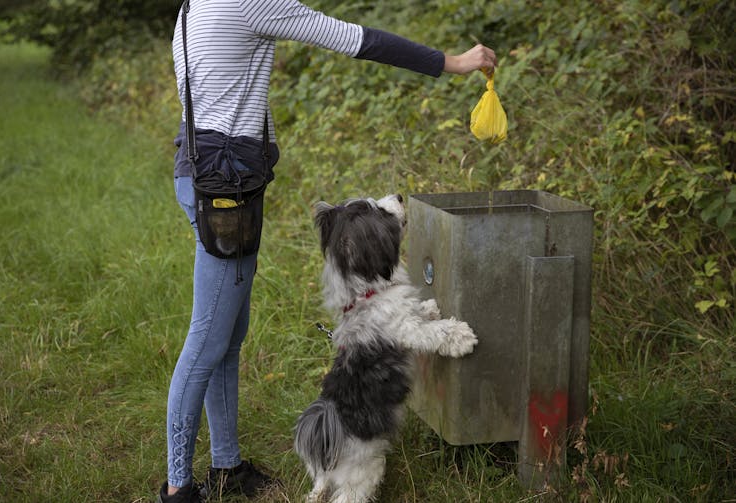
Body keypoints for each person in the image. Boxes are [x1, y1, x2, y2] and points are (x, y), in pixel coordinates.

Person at [159, 1, 497, 501]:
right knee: (207, 341)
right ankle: (178, 487)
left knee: (226, 338)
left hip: (206, 175)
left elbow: (205, 101)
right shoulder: (250, 3)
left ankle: (226, 467)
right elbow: (355, 39)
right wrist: (452, 62)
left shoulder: (195, 6)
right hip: (224, 191)